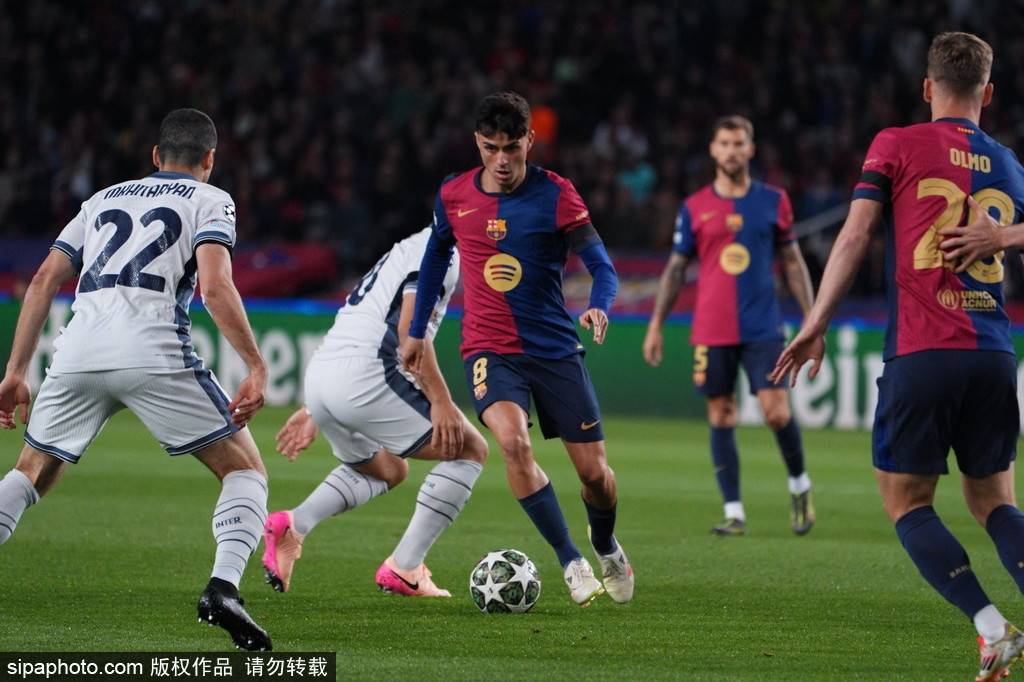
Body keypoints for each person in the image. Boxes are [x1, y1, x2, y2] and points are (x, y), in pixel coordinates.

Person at [772, 32, 1024, 682]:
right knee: (995, 502)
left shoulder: (896, 142)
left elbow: (855, 234)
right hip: (995, 354)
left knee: (907, 502)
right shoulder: (1009, 163)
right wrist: (1004, 235)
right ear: (989, 93)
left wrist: (816, 322)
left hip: (923, 350)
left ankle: (991, 626)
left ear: (927, 87)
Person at [0, 109, 273, 650]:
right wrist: (257, 366)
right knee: (245, 471)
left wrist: (14, 372)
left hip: (78, 351)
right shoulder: (210, 200)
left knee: (31, 473)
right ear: (210, 158)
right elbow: (216, 287)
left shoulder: (101, 199)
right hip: (154, 349)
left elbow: (43, 279)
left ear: (154, 156)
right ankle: (222, 589)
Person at [399, 91, 634, 607]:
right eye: (491, 148)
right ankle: (570, 559)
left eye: (511, 147)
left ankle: (604, 544)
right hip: (489, 347)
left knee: (595, 476)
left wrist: (599, 305)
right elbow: (435, 258)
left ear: (530, 140)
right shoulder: (454, 194)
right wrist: (417, 330)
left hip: (554, 348)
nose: (501, 160)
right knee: (513, 444)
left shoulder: (557, 194)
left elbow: (602, 267)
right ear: (477, 143)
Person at [261, 227, 489, 597]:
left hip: (323, 373)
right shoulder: (442, 253)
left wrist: (313, 406)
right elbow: (410, 332)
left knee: (388, 469)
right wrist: (442, 401)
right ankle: (406, 567)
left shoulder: (406, 248)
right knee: (469, 449)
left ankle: (295, 524)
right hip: (367, 375)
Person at [642, 115, 816, 536]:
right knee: (721, 413)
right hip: (712, 328)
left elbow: (793, 263)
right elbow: (676, 269)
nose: (732, 150)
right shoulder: (695, 206)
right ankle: (734, 511)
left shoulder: (774, 200)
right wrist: (656, 324)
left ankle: (799, 485)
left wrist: (813, 320)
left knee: (776, 412)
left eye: (739, 143)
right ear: (713, 150)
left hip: (763, 326)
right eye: (724, 143)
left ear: (750, 149)